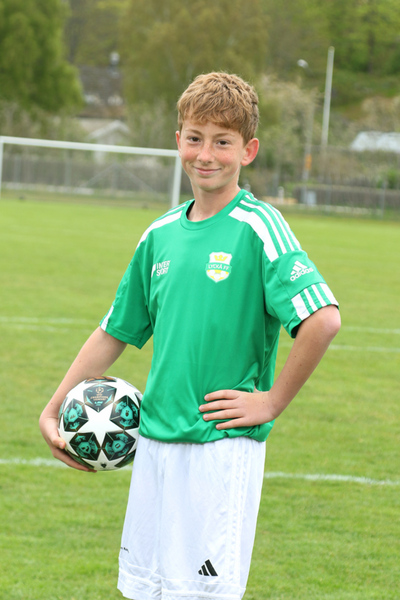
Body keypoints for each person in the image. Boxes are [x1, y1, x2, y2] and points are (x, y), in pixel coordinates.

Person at [40, 72, 341, 600]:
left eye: (222, 142)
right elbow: (114, 331)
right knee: (146, 590)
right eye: (196, 138)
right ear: (178, 140)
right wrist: (54, 407)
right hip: (154, 443)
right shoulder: (159, 234)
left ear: (247, 151)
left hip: (217, 449)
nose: (206, 155)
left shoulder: (259, 227)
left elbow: (323, 319)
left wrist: (271, 401)